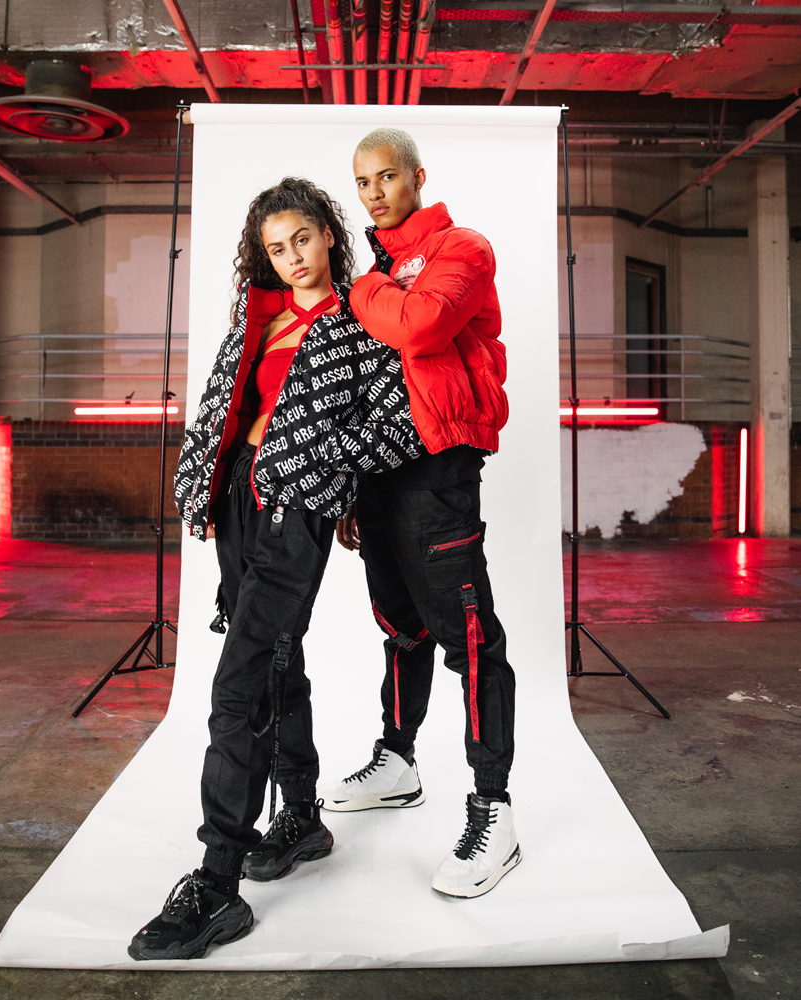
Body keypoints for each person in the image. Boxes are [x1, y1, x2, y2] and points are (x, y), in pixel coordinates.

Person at [128, 177, 422, 961]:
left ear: (329, 235)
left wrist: (328, 465)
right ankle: (300, 816)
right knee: (277, 660)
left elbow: (397, 421)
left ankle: (217, 882)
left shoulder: (364, 320)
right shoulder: (256, 320)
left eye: (302, 239)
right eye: (276, 247)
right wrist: (200, 484)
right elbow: (217, 408)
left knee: (240, 681)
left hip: (297, 509)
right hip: (237, 502)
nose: (292, 257)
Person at [318, 128, 520, 900]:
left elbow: (420, 326)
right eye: (362, 181)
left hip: (438, 469)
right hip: (378, 469)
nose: (374, 193)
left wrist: (360, 288)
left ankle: (494, 811)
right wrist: (349, 482)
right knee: (400, 626)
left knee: (470, 641)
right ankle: (398, 762)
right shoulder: (379, 269)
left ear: (417, 177)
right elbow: (359, 373)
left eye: (386, 177)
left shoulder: (461, 249)